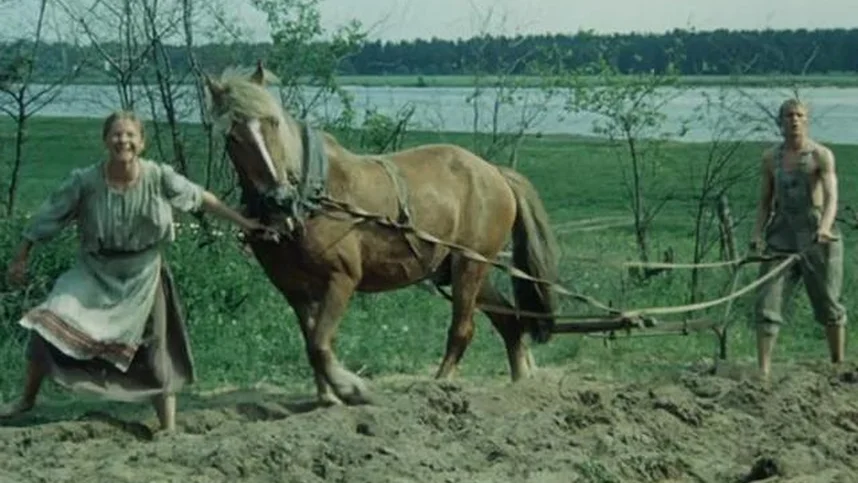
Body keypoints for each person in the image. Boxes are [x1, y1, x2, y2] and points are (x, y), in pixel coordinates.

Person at [1, 110, 279, 431]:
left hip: (144, 272)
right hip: (94, 270)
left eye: (130, 135)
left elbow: (202, 199)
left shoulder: (159, 177)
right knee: (47, 321)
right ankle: (26, 400)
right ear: (106, 140)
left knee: (156, 350)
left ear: (142, 142)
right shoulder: (85, 181)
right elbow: (49, 216)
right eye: (117, 135)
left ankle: (168, 428)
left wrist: (244, 222)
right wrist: (21, 256)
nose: (124, 141)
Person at [750, 98, 846, 379]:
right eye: (789, 115)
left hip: (816, 235)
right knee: (767, 302)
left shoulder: (821, 155)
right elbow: (764, 202)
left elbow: (832, 198)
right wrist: (757, 234)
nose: (794, 120)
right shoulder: (771, 158)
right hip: (781, 236)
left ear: (806, 120)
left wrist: (824, 228)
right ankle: (763, 372)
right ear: (780, 121)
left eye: (799, 115)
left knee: (828, 303)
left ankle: (838, 365)